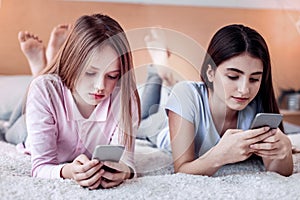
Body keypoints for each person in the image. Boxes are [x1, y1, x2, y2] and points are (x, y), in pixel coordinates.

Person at [150, 24, 293, 176]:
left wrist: (284, 153)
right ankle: (159, 69)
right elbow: (182, 169)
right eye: (233, 77)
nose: (244, 90)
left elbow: (278, 171)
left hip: (186, 104)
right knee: (146, 113)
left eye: (254, 79)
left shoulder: (258, 104)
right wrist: (220, 156)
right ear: (210, 73)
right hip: (158, 127)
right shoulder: (185, 93)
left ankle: (166, 77)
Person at [18, 14, 141, 189]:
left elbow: (126, 161)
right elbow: (40, 167)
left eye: (112, 76)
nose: (100, 86)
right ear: (73, 63)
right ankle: (40, 66)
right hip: (26, 131)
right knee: (13, 125)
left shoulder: (124, 97)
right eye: (90, 73)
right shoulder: (44, 90)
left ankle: (45, 64)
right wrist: (68, 172)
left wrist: (124, 171)